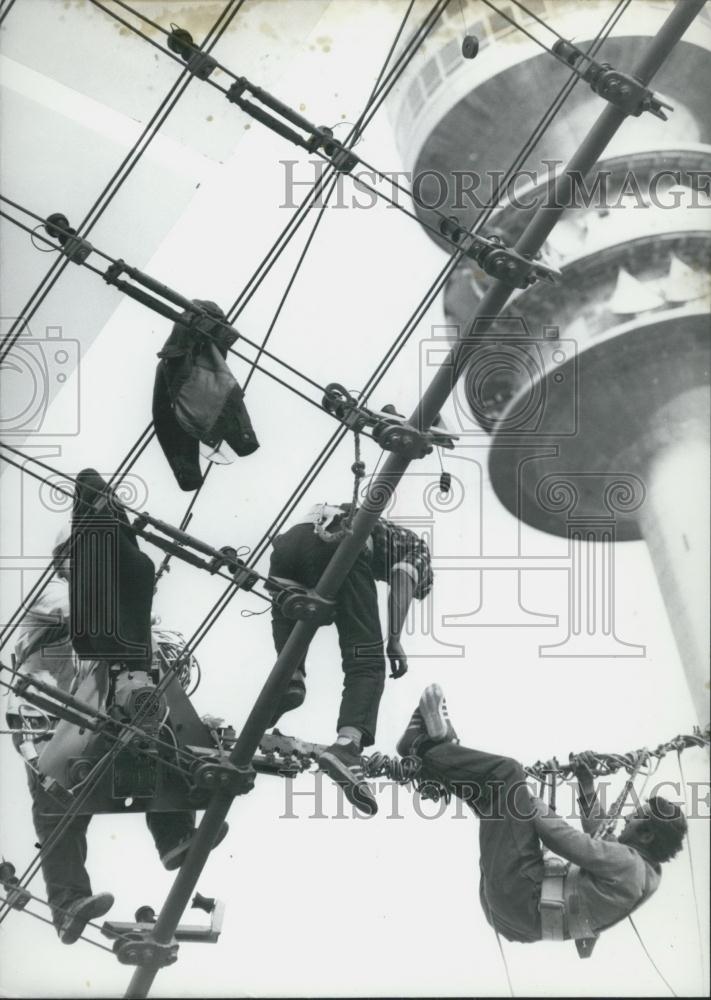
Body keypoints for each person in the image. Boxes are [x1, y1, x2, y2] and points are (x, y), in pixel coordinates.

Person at [8, 531, 227, 945]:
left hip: (96, 715)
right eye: (87, 557)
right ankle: (69, 905)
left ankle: (175, 838)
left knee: (158, 741)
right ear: (65, 561)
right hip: (44, 717)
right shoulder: (51, 595)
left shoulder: (95, 603)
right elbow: (92, 615)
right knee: (56, 803)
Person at [397, 684, 687, 948]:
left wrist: (523, 796)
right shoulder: (642, 875)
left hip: (521, 895)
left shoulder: (627, 865)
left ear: (647, 834)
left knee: (508, 774)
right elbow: (600, 837)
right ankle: (440, 750)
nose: (626, 818)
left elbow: (565, 839)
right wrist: (585, 785)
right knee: (497, 799)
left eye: (637, 817)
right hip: (516, 919)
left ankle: (425, 749)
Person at [268, 502, 433, 816]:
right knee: (367, 660)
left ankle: (292, 681)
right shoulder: (419, 552)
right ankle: (347, 746)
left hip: (289, 545)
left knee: (294, 617)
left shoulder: (385, 530)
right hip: (338, 544)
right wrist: (395, 640)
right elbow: (401, 582)